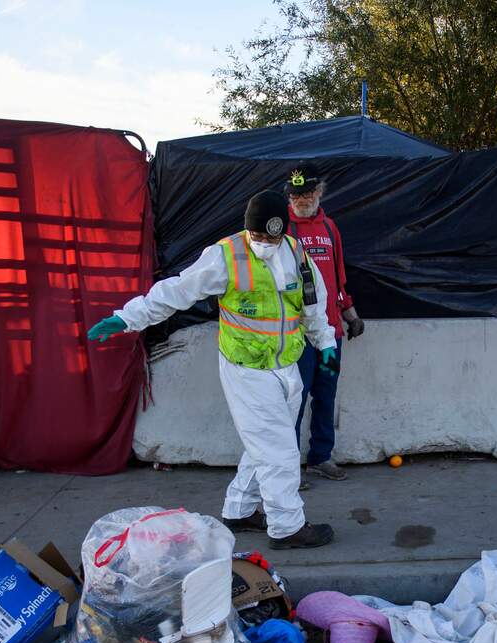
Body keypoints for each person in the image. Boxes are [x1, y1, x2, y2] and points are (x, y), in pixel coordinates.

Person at [86, 190, 338, 549]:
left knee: (266, 442)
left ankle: (239, 510)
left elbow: (313, 304)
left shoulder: (298, 256)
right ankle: (287, 527)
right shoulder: (225, 256)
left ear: (283, 231)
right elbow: (176, 292)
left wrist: (325, 343)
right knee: (280, 451)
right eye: (258, 236)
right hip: (246, 370)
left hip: (286, 365)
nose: (265, 243)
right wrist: (128, 317)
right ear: (248, 228)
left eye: (272, 237)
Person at [285, 162, 365, 484]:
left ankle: (320, 457)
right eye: (295, 195)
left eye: (306, 193)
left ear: (319, 192)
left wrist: (350, 314)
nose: (301, 200)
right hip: (298, 336)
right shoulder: (281, 231)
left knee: (326, 394)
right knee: (294, 400)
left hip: (331, 335)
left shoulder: (330, 228)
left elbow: (338, 279)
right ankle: (287, 468)